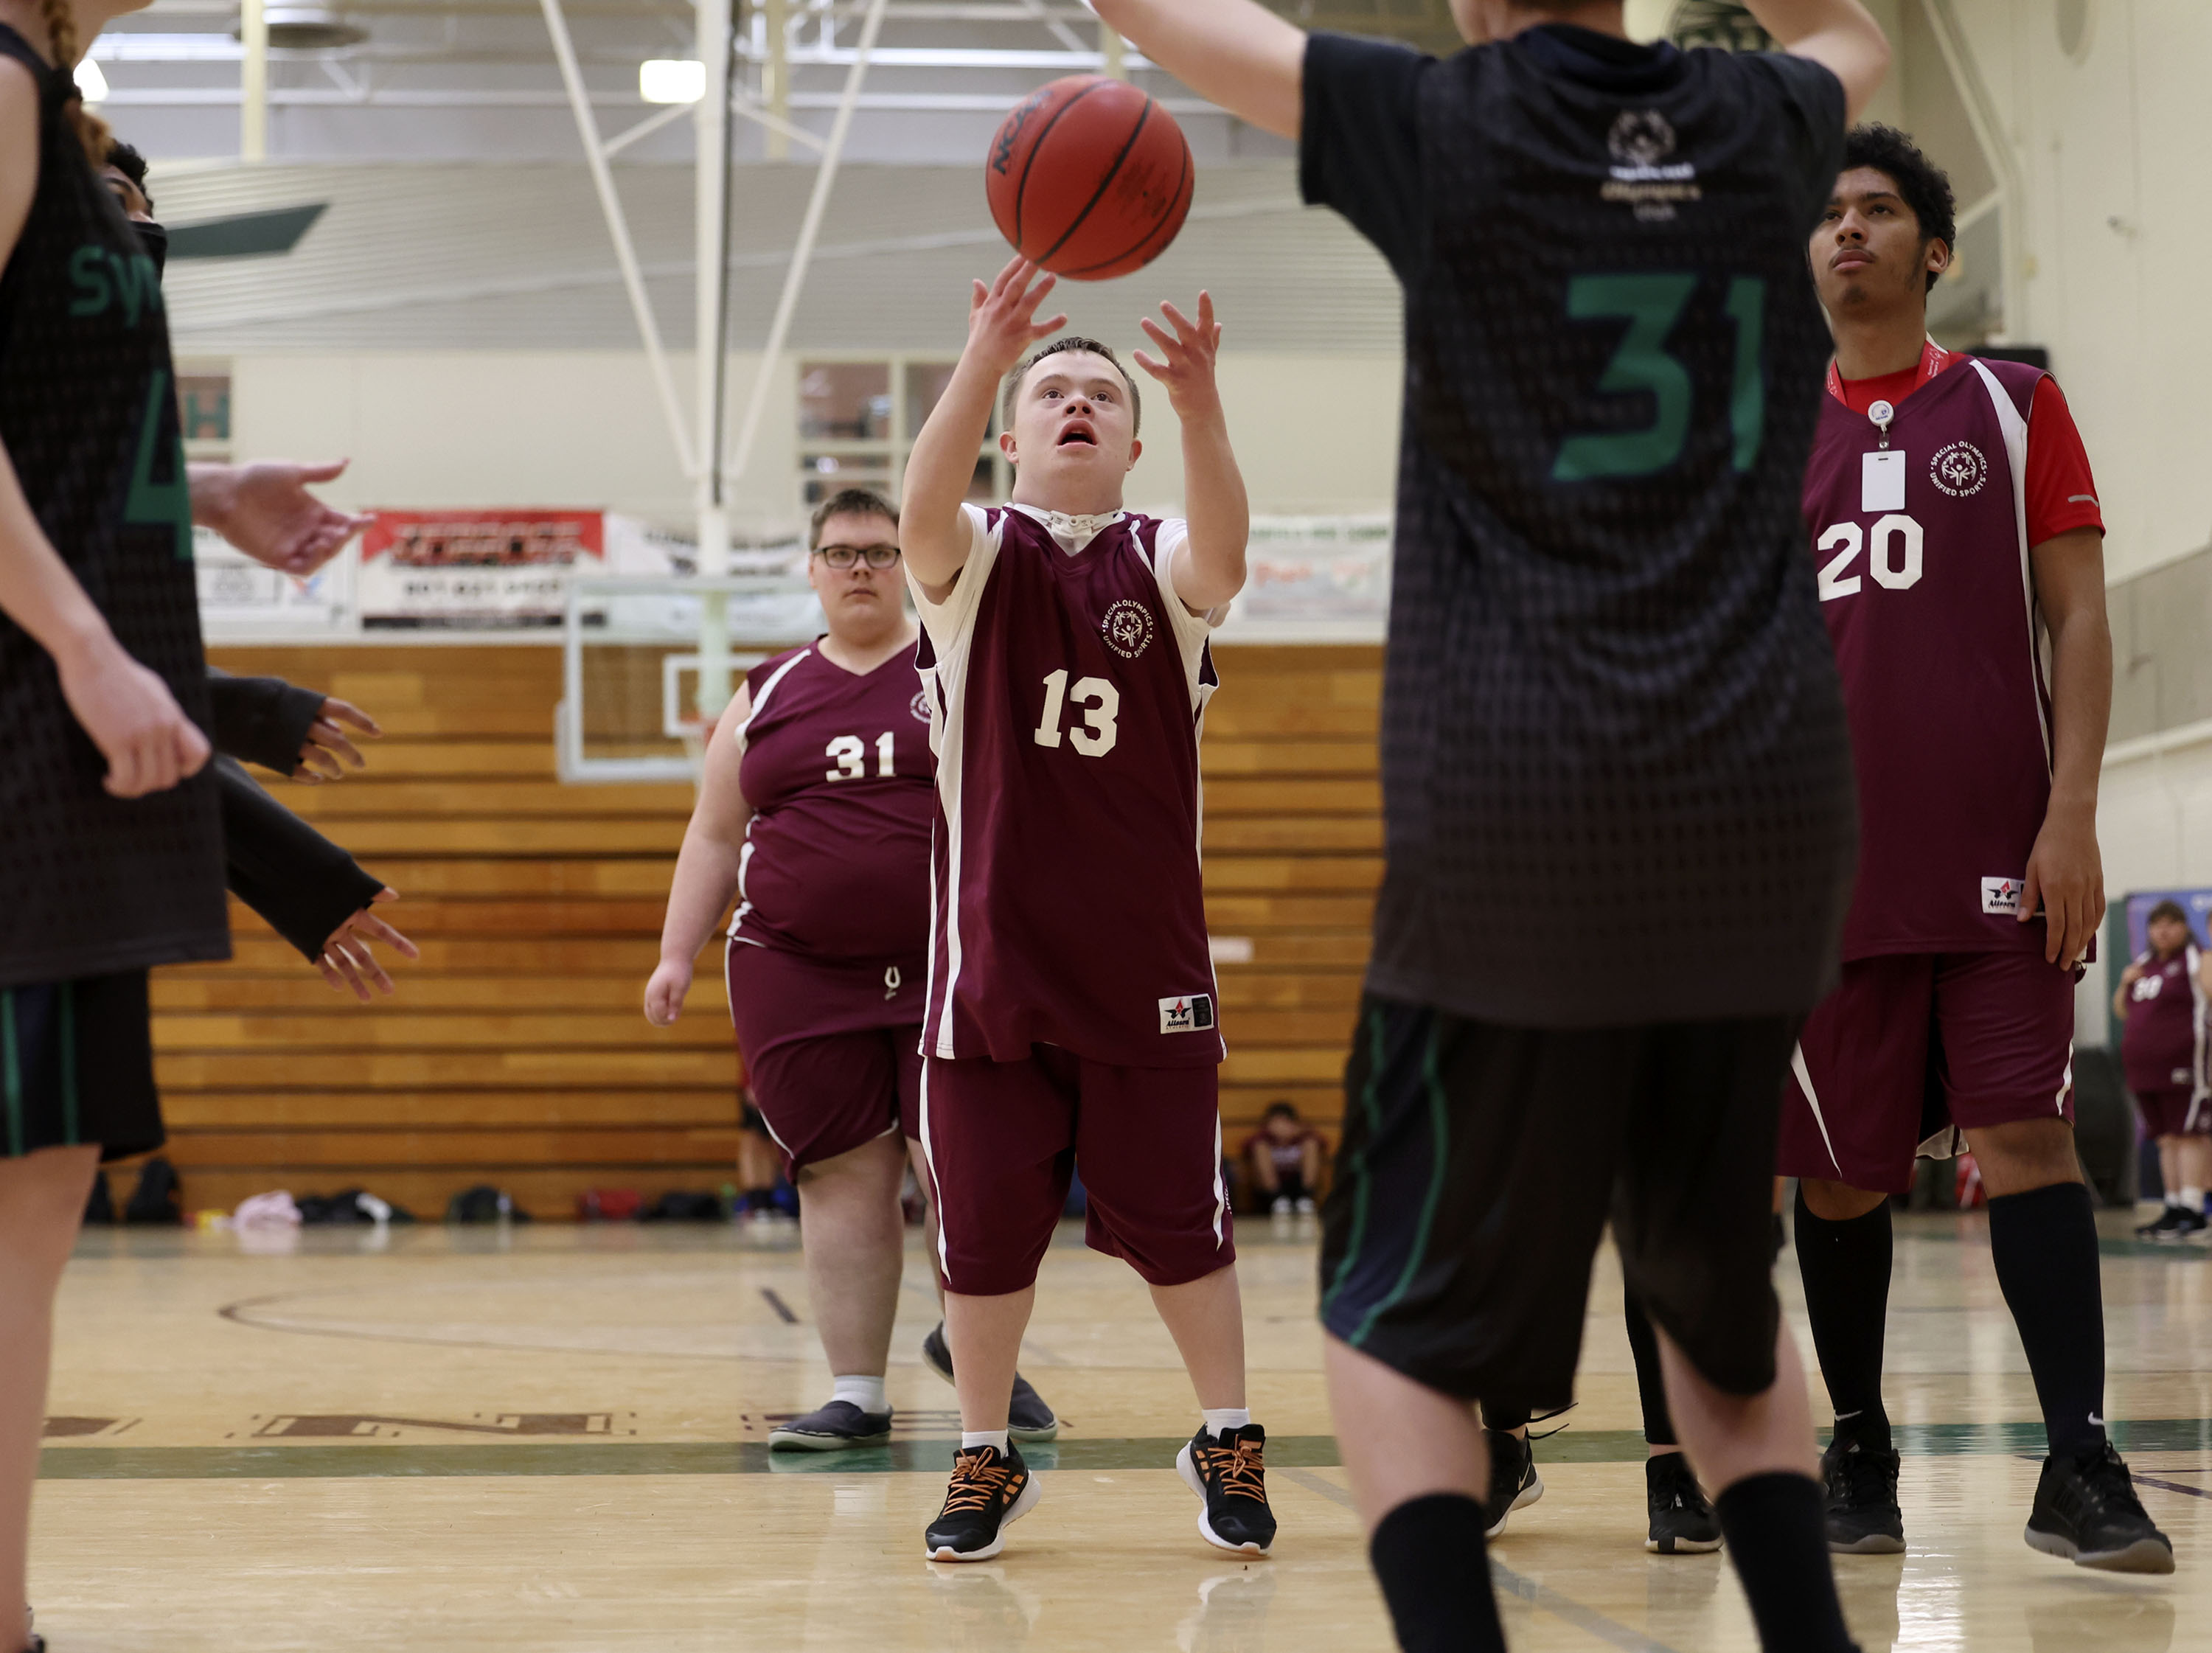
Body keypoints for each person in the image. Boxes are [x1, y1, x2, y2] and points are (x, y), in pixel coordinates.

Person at [1093, 1, 1888, 1649]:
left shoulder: (1444, 119)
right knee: (1716, 1296)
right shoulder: (1767, 120)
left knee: (1388, 1311)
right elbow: (1856, 29)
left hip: (1528, 796)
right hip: (1767, 798)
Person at [1773, 121, 2170, 1573]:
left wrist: (2073, 812)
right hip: (1823, 877)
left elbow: (2080, 615)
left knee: (2029, 1136)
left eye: (1878, 210)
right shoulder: (1771, 436)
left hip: (2004, 858)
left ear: (1935, 250)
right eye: (1828, 215)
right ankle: (1861, 1436)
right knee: (1837, 1174)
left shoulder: (2012, 408)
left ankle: (2076, 1455)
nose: (1850, 231)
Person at [900, 271, 1269, 1564]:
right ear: (1015, 430)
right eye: (1051, 392)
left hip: (1143, 963)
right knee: (988, 1234)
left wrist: (1204, 403)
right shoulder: (975, 557)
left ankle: (1226, 1431)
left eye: (1100, 397)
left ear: (1130, 441)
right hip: (993, 966)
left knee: (1184, 1220)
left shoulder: (1159, 558)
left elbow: (1225, 555)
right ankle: (983, 1453)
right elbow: (918, 513)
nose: (1074, 405)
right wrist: (983, 351)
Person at [645, 487, 1057, 1451]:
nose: (861, 567)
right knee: (838, 1172)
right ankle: (857, 1391)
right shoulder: (766, 692)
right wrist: (675, 953)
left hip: (953, 964)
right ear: (814, 570)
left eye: (877, 550)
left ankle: (976, 1362)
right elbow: (713, 834)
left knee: (961, 1167)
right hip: (799, 972)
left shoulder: (963, 668)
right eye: (842, 552)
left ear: (908, 561)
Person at [2117, 900, 2211, 1238]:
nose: (2163, 930)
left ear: (2185, 927)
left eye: (2171, 923)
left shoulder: (2197, 959)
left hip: (2185, 1065)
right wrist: (2125, 983)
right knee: (2166, 1139)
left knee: (2189, 1135)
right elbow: (2123, 1011)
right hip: (2145, 1070)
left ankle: (2193, 1209)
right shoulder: (2143, 965)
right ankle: (2173, 1207)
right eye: (2157, 924)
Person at [1243, 1100, 1322, 1215]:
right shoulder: (1263, 1140)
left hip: (1297, 1185)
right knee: (1260, 1147)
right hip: (1270, 1191)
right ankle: (1277, 1198)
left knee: (1311, 1144)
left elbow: (1323, 1142)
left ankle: (1306, 1197)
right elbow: (1247, 1145)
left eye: (1285, 1121)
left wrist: (1299, 1132)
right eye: (1276, 1122)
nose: (1281, 1126)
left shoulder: (1304, 1138)